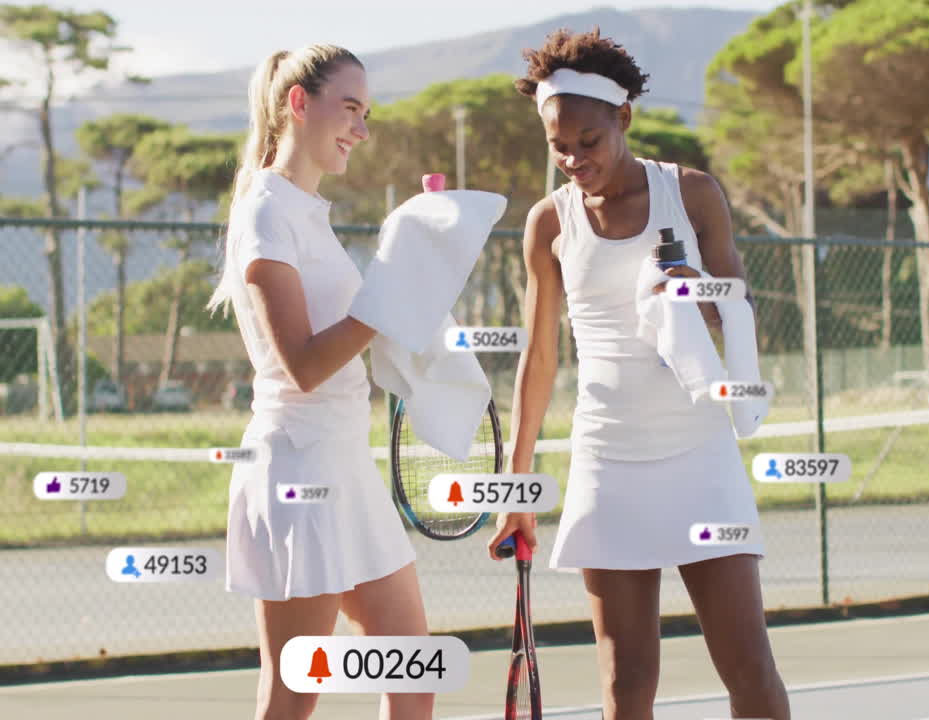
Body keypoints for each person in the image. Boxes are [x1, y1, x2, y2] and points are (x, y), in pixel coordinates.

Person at [487, 29, 791, 720]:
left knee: (749, 668)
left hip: (700, 453)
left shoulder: (692, 192)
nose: (572, 158)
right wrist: (517, 487)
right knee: (626, 685)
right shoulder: (548, 223)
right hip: (608, 460)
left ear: (623, 119)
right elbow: (538, 359)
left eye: (588, 140)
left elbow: (739, 309)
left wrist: (698, 291)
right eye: (558, 146)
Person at [207, 46, 432, 720]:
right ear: (298, 104)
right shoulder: (266, 213)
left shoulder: (304, 213)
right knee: (293, 692)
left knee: (411, 668)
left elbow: (358, 332)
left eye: (366, 114)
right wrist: (388, 296)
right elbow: (303, 364)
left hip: (342, 464)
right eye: (350, 109)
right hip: (299, 468)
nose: (362, 130)